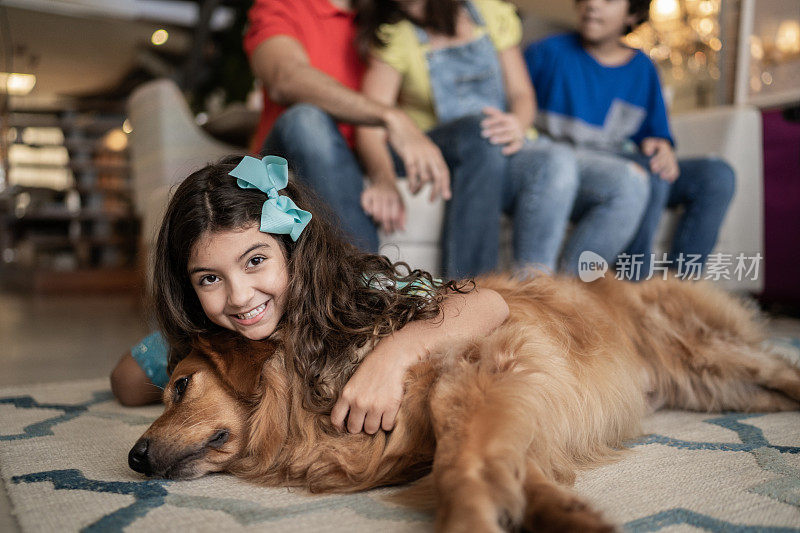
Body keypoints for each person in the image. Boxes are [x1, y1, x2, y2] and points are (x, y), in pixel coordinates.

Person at [111, 155, 509, 436]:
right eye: (210, 279)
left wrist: (394, 356)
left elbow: (491, 304)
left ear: (292, 249)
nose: (239, 296)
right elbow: (125, 382)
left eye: (255, 261)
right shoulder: (208, 325)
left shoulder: (352, 288)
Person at [353, 0, 649, 274]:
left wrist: (517, 123)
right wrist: (384, 178)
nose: (408, 6)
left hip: (514, 147)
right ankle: (531, 291)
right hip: (458, 156)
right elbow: (370, 122)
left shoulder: (489, 12)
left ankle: (564, 296)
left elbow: (522, 95)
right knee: (553, 161)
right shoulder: (397, 36)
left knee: (630, 183)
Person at [245, 0, 507, 278]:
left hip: (367, 152)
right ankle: (370, 283)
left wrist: (383, 174)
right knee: (307, 118)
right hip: (294, 151)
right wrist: (390, 117)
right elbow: (284, 78)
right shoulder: (282, 7)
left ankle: (472, 292)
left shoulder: (386, 16)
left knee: (480, 130)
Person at [524, 0, 735, 277]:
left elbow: (656, 134)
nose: (593, 5)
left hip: (623, 159)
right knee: (649, 173)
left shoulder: (643, 68)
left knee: (717, 175)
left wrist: (663, 147)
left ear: (632, 14)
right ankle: (634, 285)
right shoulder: (547, 53)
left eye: (608, 0)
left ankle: (676, 289)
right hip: (573, 171)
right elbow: (516, 109)